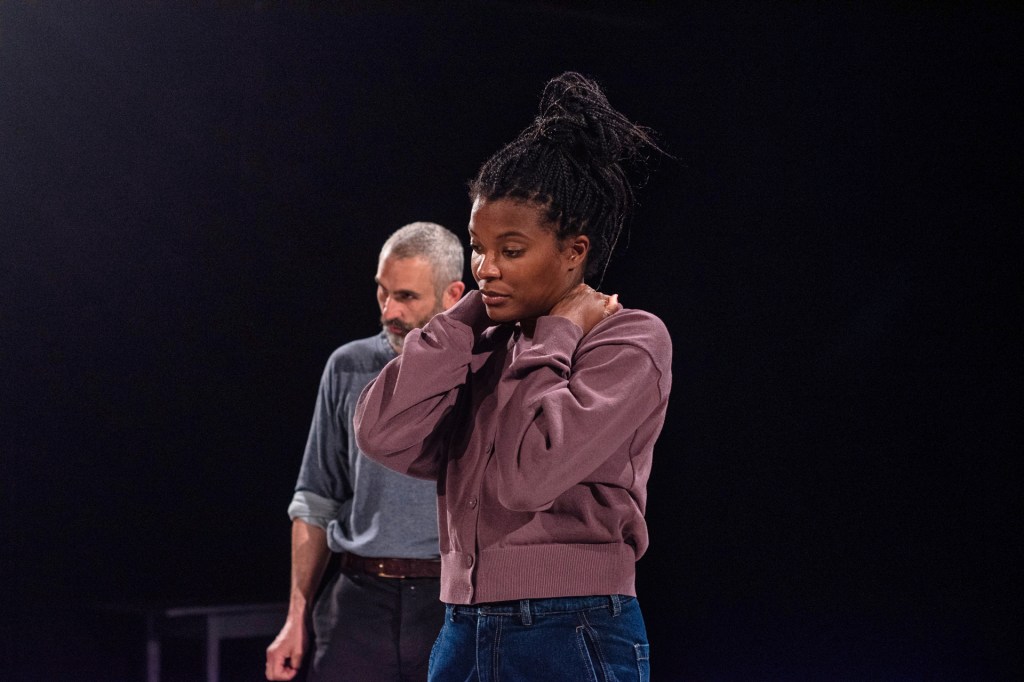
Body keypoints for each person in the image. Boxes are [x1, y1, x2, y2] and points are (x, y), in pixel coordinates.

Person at [353, 72, 672, 681]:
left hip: (573, 625)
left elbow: (529, 478)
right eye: (478, 247)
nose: (486, 268)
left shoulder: (630, 340)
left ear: (574, 251)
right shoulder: (482, 339)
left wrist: (557, 333)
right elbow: (380, 433)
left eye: (511, 250)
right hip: (463, 625)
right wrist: (465, 317)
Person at [266, 222, 466, 682]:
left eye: (407, 296)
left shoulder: (481, 370)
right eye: (383, 291)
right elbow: (316, 499)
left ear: (453, 295)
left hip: (450, 604)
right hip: (357, 605)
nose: (389, 311)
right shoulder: (348, 366)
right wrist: (295, 617)